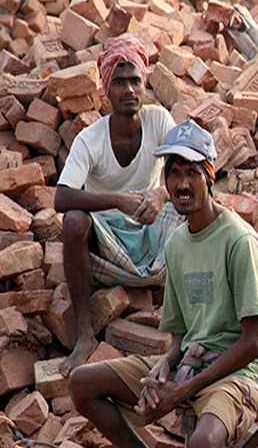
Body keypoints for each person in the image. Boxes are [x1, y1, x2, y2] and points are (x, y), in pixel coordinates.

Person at [68, 120, 258, 448]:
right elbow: (181, 337)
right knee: (82, 383)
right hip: (191, 362)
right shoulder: (177, 244)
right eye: (174, 173)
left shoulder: (239, 242)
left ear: (210, 176)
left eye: (192, 172)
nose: (182, 184)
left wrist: (183, 389)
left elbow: (252, 344)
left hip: (237, 371)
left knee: (203, 442)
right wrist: (163, 367)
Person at [55, 36, 180, 376]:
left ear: (145, 85)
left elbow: (187, 171)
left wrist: (161, 194)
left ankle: (191, 329)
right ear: (106, 90)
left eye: (135, 81)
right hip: (108, 242)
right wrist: (117, 201)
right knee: (74, 222)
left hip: (153, 231)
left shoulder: (159, 121)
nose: (128, 89)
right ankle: (85, 335)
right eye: (119, 82)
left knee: (197, 206)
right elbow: (61, 198)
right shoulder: (90, 139)